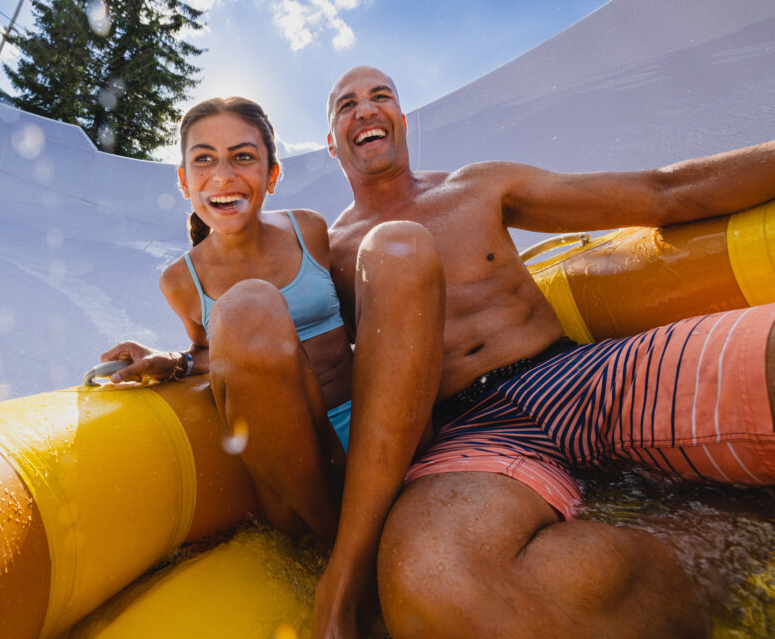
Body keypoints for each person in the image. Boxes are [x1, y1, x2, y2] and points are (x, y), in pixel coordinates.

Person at [305, 65, 775, 638]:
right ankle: (724, 532)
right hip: (469, 430)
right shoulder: (327, 256)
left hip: (577, 371)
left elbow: (662, 191)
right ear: (332, 141)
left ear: (402, 121)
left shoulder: (476, 185)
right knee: (438, 588)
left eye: (381, 97)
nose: (366, 109)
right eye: (346, 104)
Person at [101, 97, 354, 544]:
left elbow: (361, 322)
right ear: (184, 181)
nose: (223, 176)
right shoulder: (181, 280)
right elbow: (213, 355)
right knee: (248, 306)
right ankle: (336, 544)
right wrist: (175, 360)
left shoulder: (309, 230)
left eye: (243, 157)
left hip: (365, 425)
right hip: (289, 463)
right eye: (203, 159)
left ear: (272, 174)